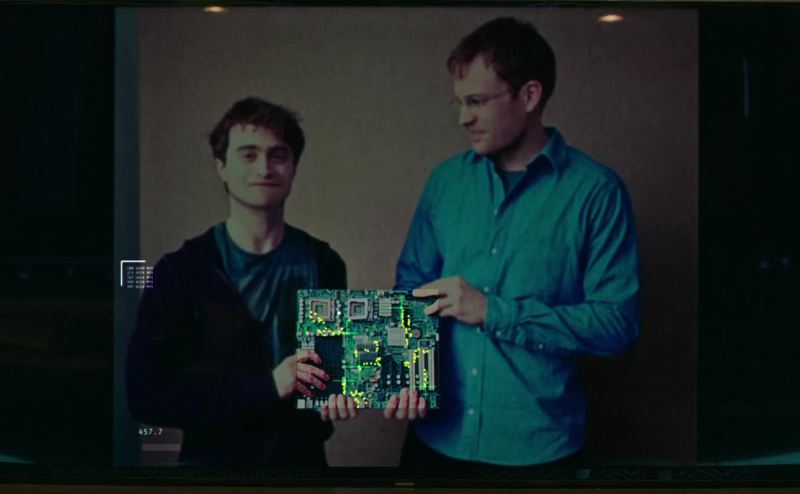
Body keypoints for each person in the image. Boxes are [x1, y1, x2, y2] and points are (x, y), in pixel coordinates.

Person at [385, 17, 641, 468]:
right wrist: (403, 368)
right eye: (460, 102)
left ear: (529, 96)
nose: (463, 118)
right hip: (434, 441)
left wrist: (494, 311)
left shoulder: (597, 193)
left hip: (537, 450)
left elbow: (616, 324)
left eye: (477, 102)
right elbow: (411, 283)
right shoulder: (445, 182)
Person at [126, 97, 355, 467]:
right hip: (213, 472)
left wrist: (339, 392)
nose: (264, 168)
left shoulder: (325, 263)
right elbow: (145, 396)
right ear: (221, 168)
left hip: (302, 470)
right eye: (248, 155)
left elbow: (331, 372)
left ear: (294, 167)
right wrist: (270, 386)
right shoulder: (180, 271)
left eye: (278, 155)